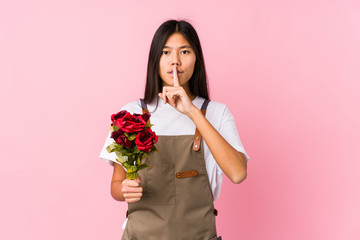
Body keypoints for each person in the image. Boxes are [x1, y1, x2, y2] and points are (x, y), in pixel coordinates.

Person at [99, 19, 249, 240]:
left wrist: (192, 111)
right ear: (155, 60)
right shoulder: (132, 114)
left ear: (196, 58)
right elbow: (116, 185)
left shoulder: (217, 113)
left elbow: (238, 173)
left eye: (185, 52)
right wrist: (124, 190)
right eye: (166, 52)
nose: (175, 61)